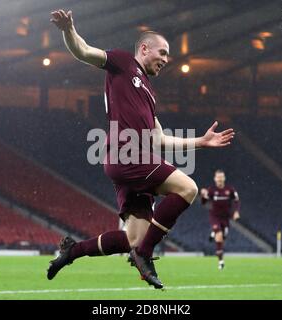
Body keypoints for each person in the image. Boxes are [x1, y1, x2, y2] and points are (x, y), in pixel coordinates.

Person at [47, 9, 235, 289]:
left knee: (133, 239)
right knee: (188, 189)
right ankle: (145, 255)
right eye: (163, 52)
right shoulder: (123, 63)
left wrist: (200, 142)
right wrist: (68, 31)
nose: (166, 60)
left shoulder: (148, 92)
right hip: (128, 155)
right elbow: (84, 51)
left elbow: (159, 138)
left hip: (132, 162)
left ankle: (72, 251)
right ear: (144, 48)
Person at [200, 170, 240, 270]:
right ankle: (221, 262)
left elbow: (236, 201)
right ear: (215, 179)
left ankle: (213, 234)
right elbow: (204, 202)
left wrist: (236, 212)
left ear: (224, 178)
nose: (219, 179)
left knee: (223, 237)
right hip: (215, 217)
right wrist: (203, 195)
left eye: (221, 177)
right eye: (218, 177)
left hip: (226, 218)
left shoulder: (230, 190)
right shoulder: (211, 190)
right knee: (219, 236)